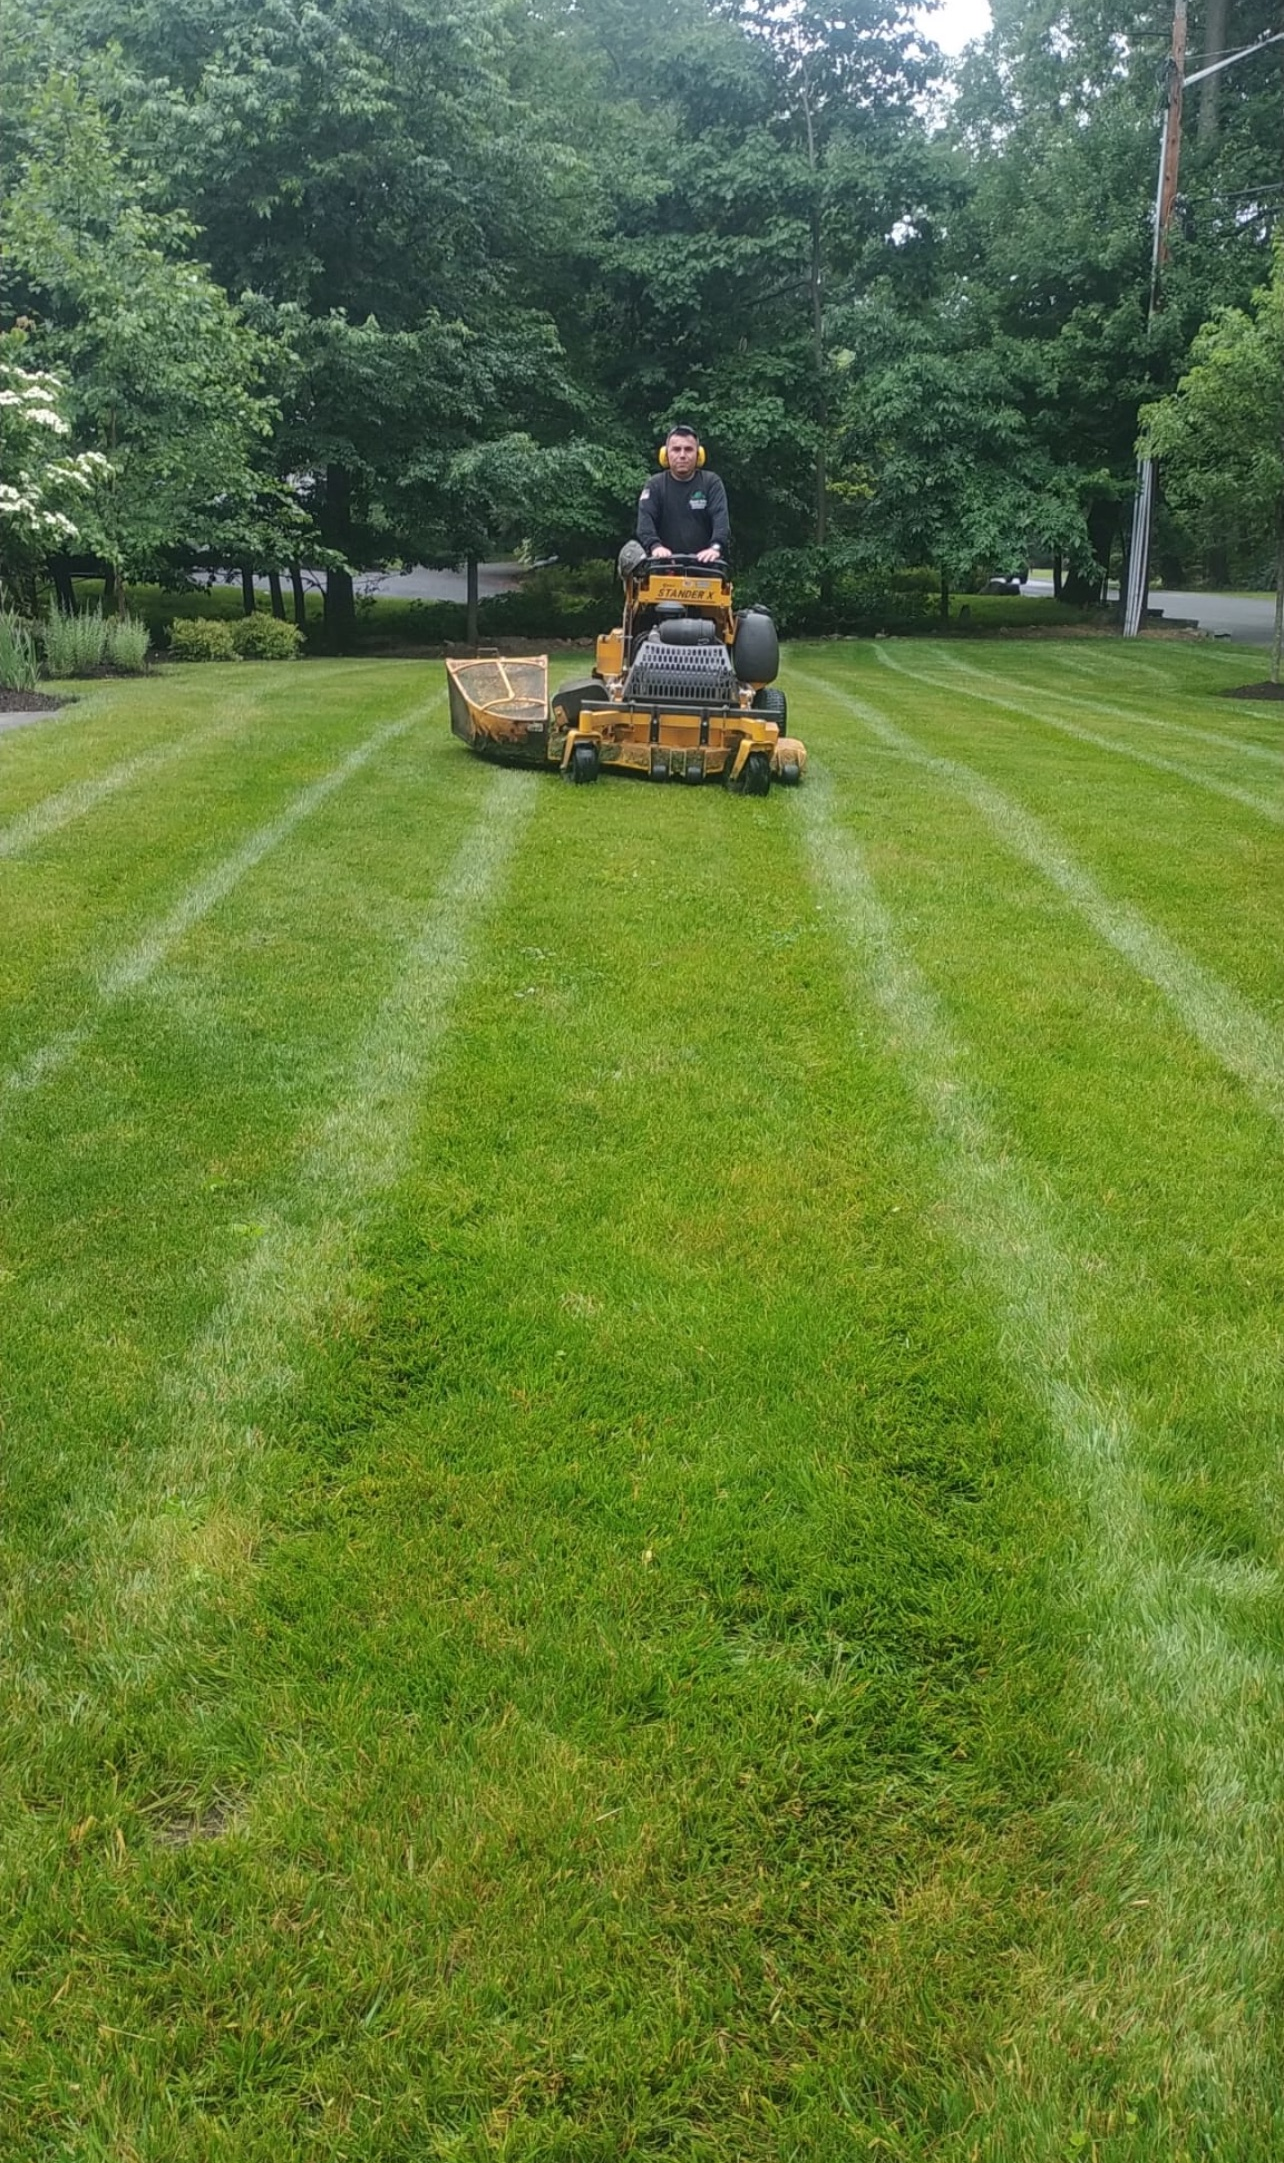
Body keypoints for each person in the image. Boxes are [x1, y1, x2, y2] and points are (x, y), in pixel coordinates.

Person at [636, 426, 730, 563]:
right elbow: (645, 522)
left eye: (688, 449)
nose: (682, 455)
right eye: (676, 449)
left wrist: (715, 548)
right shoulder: (655, 484)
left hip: (706, 565)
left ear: (699, 455)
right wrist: (654, 546)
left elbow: (720, 519)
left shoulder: (711, 483)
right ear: (665, 454)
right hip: (663, 565)